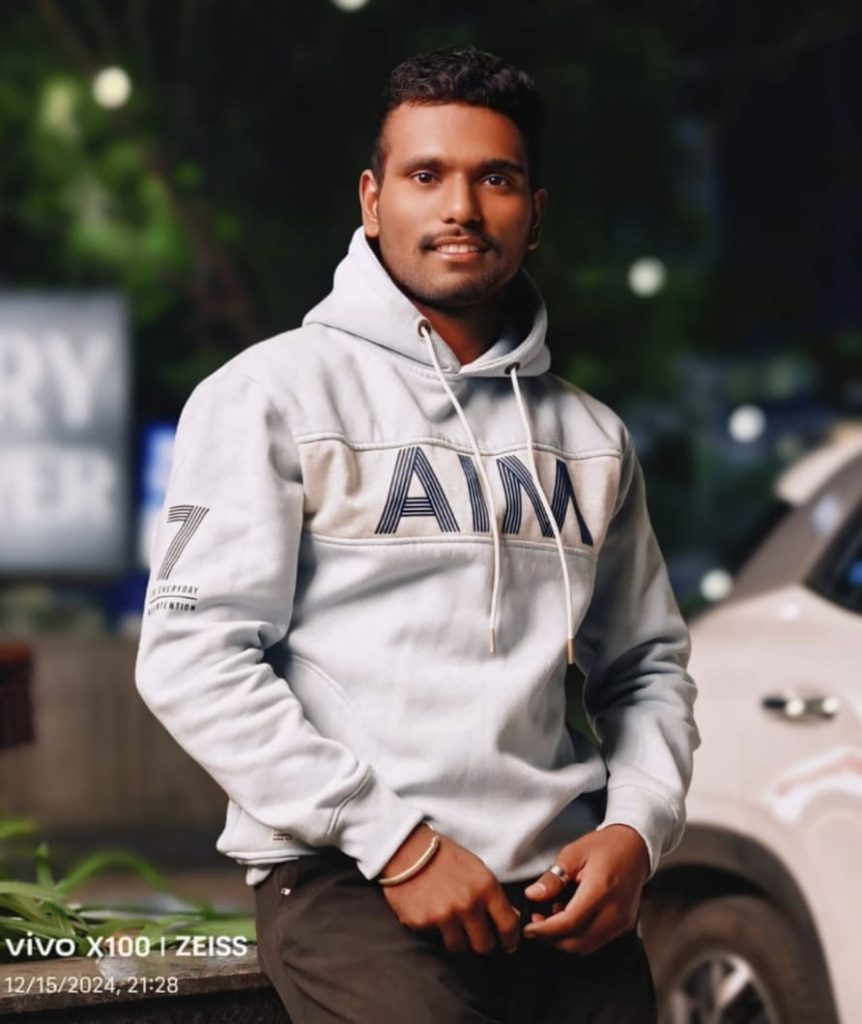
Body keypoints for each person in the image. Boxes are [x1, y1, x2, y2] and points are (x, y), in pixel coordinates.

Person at [135, 45, 699, 1023]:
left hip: (560, 889)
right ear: (372, 200)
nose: (462, 208)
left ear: (534, 211)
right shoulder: (268, 395)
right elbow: (190, 656)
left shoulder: (590, 438)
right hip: (349, 879)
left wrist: (637, 830)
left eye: (496, 179)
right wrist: (395, 842)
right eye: (426, 175)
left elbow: (646, 667)